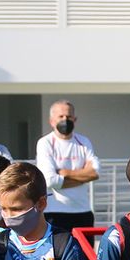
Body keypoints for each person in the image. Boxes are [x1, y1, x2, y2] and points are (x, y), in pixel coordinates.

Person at [35, 99, 100, 234]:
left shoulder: (83, 142)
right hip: (54, 212)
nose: (65, 120)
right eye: (61, 116)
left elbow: (95, 173)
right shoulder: (45, 143)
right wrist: (83, 177)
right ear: (52, 121)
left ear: (75, 119)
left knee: (85, 249)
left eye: (69, 116)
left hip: (83, 211)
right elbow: (50, 180)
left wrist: (65, 173)